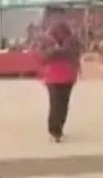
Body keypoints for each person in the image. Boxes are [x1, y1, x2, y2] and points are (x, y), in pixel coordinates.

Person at [35, 6, 81, 142]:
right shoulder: (45, 38)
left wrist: (67, 52)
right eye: (55, 17)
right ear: (50, 19)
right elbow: (40, 56)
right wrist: (53, 51)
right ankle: (54, 130)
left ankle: (59, 127)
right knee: (55, 102)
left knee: (64, 103)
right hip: (53, 75)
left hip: (68, 74)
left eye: (61, 16)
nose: (58, 20)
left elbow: (77, 52)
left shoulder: (72, 37)